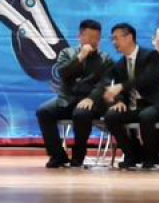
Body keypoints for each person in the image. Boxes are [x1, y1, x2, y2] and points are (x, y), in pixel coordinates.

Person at [35, 19, 112, 169]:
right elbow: (63, 73)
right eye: (89, 37)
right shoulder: (67, 53)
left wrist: (91, 98)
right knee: (43, 111)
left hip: (91, 101)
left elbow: (105, 83)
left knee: (81, 113)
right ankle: (57, 155)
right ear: (80, 36)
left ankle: (78, 155)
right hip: (67, 98)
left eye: (97, 37)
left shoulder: (105, 58)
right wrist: (80, 57)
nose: (93, 41)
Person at [103, 23, 159, 169]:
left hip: (154, 104)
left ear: (129, 37)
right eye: (112, 39)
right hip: (133, 107)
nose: (114, 42)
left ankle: (150, 158)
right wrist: (119, 100)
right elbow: (119, 91)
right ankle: (131, 154)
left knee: (146, 116)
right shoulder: (119, 64)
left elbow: (147, 78)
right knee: (111, 116)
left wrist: (121, 86)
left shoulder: (151, 55)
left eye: (116, 38)